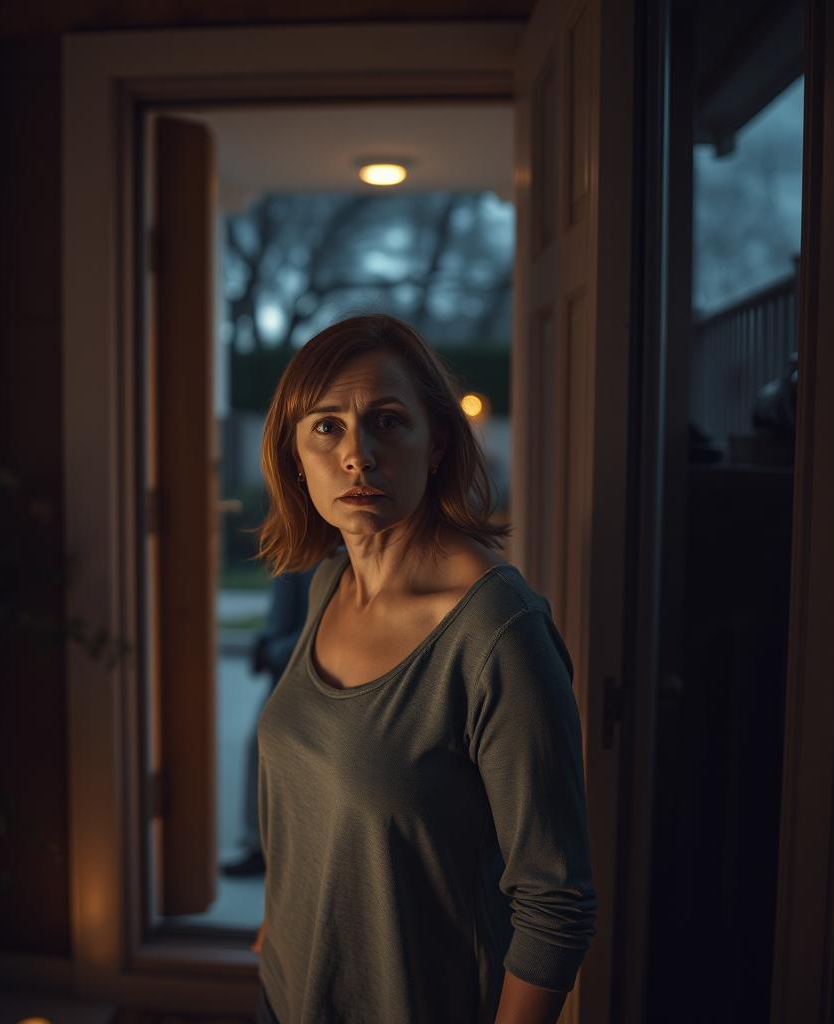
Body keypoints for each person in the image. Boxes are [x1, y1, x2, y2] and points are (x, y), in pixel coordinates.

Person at [249, 314, 597, 1024]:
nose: (357, 455)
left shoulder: (499, 634)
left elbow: (555, 903)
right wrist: (277, 934)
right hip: (287, 998)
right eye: (326, 427)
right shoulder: (329, 585)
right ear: (294, 452)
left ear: (436, 443)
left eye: (386, 422)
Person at [222, 565, 317, 877]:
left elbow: (316, 626)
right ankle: (259, 845)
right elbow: (281, 616)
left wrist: (274, 650)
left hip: (307, 675)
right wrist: (264, 644)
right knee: (260, 751)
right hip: (282, 671)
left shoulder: (330, 560)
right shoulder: (293, 557)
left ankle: (279, 848)